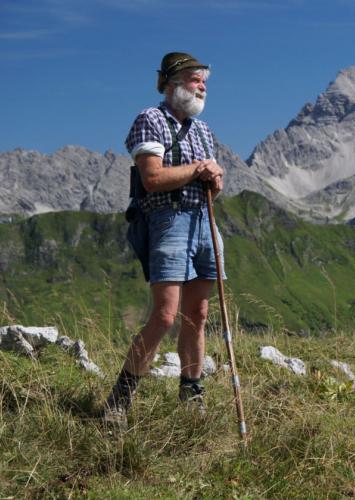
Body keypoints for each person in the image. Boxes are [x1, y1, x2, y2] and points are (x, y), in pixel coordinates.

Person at [103, 52, 225, 428]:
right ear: (171, 83)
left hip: (204, 220)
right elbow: (152, 178)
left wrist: (215, 178)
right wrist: (198, 170)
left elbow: (211, 187)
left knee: (199, 314)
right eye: (194, 78)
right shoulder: (150, 119)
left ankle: (192, 393)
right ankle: (119, 399)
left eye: (204, 79)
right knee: (165, 314)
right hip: (168, 220)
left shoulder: (203, 130)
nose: (202, 85)